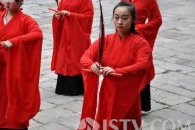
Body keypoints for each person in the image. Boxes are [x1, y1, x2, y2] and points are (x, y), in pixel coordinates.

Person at [79, 2, 151, 130]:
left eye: (125, 18)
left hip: (126, 93)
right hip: (105, 92)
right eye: (116, 17)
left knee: (124, 123)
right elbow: (85, 57)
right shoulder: (106, 40)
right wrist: (92, 65)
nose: (119, 22)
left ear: (133, 19)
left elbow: (142, 64)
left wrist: (117, 71)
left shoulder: (140, 43)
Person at [0, 0, 43, 129]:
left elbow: (37, 35)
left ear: (20, 2)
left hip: (13, 71)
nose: (7, 2)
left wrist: (14, 42)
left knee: (12, 101)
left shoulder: (26, 20)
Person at [122, 0, 162, 112]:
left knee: (140, 67)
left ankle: (141, 104)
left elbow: (157, 20)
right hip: (125, 36)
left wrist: (139, 28)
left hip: (139, 36)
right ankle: (125, 102)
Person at [51, 0, 94, 96]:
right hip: (65, 34)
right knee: (64, 58)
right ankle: (63, 86)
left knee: (76, 58)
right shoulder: (63, 1)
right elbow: (59, 13)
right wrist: (58, 16)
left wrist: (71, 15)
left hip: (77, 35)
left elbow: (88, 17)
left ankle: (76, 88)